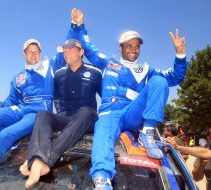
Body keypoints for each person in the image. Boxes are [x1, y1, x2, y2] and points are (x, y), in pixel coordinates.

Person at [70, 8, 187, 189]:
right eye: (129, 45)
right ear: (121, 47)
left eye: (137, 46)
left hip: (134, 113)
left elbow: (174, 78)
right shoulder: (108, 62)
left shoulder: (147, 70)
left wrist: (180, 55)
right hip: (111, 114)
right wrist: (79, 25)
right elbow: (86, 47)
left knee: (160, 81)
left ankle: (147, 133)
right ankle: (102, 179)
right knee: (103, 128)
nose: (133, 49)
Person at [0, 39, 66, 184]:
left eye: (36, 52)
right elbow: (10, 100)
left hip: (37, 115)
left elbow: (68, 49)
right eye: (30, 52)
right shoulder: (18, 77)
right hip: (19, 110)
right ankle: (12, 138)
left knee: (6, 134)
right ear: (24, 54)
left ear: (40, 53)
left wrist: (76, 25)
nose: (33, 55)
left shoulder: (49, 67)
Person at [19, 39, 102, 189]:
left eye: (70, 50)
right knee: (43, 115)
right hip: (66, 118)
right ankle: (38, 159)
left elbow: (107, 98)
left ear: (81, 52)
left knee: (86, 111)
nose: (66, 53)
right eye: (64, 51)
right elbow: (54, 97)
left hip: (86, 119)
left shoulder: (96, 72)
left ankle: (44, 160)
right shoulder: (59, 74)